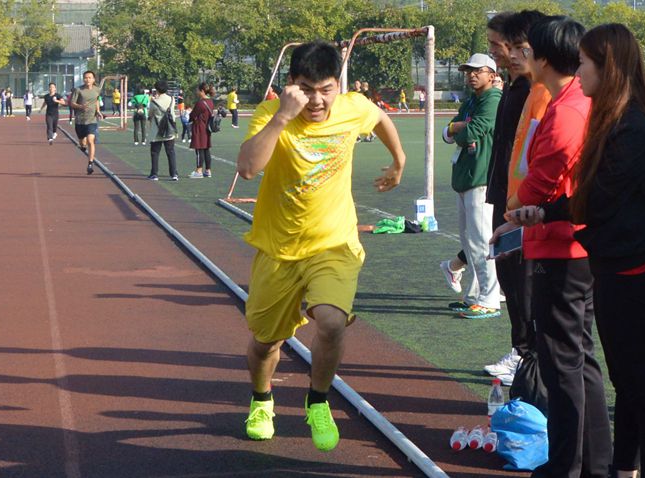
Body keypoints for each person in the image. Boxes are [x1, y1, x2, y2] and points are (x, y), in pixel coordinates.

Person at [503, 22, 645, 478]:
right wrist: (543, 212)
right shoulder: (615, 117)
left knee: (642, 386)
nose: (579, 72)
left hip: (630, 270)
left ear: (607, 66)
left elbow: (597, 199)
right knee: (627, 381)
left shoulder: (631, 125)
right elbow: (592, 197)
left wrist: (543, 210)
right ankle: (621, 467)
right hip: (615, 267)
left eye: (585, 63)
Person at [237, 40, 406, 452]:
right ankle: (262, 401)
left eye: (326, 89)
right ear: (291, 84)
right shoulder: (271, 114)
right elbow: (247, 168)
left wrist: (398, 160)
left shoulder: (353, 107)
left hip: (333, 241)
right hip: (279, 248)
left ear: (338, 85)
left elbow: (379, 117)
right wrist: (282, 117)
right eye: (306, 89)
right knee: (266, 343)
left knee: (331, 322)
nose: (316, 100)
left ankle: (317, 401)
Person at [499, 17, 612, 477]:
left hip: (561, 247)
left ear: (543, 57)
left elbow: (543, 176)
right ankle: (594, 463)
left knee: (563, 363)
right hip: (569, 244)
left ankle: (567, 464)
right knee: (579, 359)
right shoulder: (571, 100)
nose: (517, 56)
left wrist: (516, 205)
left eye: (525, 49)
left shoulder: (567, 108)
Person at [479, 11, 546, 384]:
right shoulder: (516, 86)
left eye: (497, 44)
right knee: (510, 276)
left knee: (524, 281)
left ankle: (526, 354)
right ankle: (523, 351)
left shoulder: (536, 91)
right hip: (506, 197)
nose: (495, 51)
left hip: (523, 203)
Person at [442, 53, 502, 319]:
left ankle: (490, 299)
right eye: (469, 71)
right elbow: (449, 131)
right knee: (470, 242)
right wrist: (457, 127)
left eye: (478, 71)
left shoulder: (493, 99)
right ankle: (476, 296)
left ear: (492, 74)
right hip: (466, 177)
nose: (471, 75)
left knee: (481, 241)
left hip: (481, 178)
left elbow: (471, 131)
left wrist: (458, 128)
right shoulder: (471, 101)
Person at [71, 70, 103, 175]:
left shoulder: (97, 90)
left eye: (90, 77)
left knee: (90, 141)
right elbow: (72, 103)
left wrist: (98, 111)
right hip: (80, 121)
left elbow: (97, 100)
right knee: (82, 142)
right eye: (85, 77)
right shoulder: (78, 90)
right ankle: (83, 146)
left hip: (91, 120)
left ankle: (90, 164)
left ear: (93, 79)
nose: (87, 79)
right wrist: (81, 106)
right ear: (83, 79)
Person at [146, 80, 178, 181]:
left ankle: (154, 174)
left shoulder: (154, 101)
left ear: (157, 89)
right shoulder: (172, 99)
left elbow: (150, 114)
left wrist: (155, 99)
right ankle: (174, 174)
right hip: (169, 129)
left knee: (155, 152)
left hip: (157, 130)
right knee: (171, 152)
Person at [189, 82, 214, 178]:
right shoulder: (210, 102)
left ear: (202, 91)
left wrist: (191, 117)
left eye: (198, 90)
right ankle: (208, 170)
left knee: (199, 149)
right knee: (206, 149)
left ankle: (199, 171)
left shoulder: (200, 103)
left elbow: (192, 115)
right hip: (207, 129)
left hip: (199, 128)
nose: (197, 92)